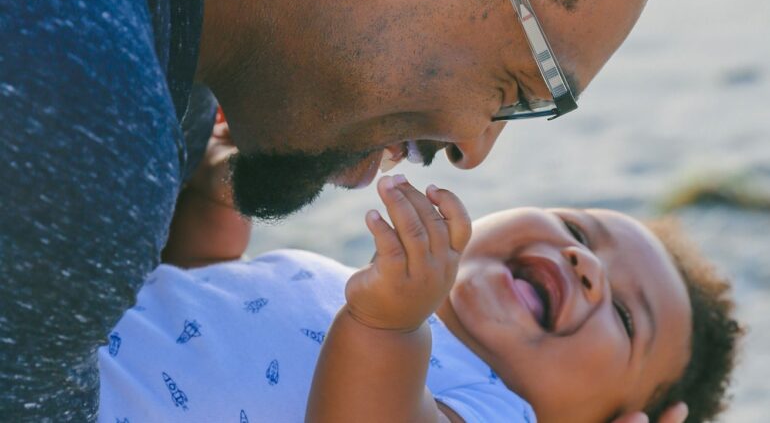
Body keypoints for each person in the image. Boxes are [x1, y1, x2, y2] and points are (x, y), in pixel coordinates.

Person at [1, 0, 698, 418]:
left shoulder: (148, 94)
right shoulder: (81, 127)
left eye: (630, 320)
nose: (475, 149)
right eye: (518, 86)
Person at [99, 170, 742, 423]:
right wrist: (222, 200)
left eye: (628, 318)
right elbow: (200, 312)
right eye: (577, 230)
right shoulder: (354, 288)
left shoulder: (497, 408)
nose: (582, 262)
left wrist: (387, 328)